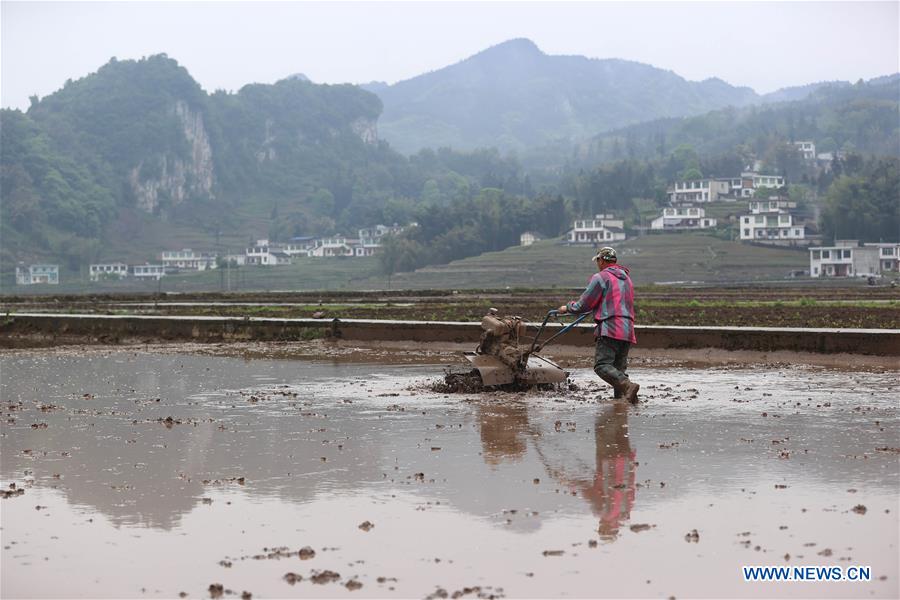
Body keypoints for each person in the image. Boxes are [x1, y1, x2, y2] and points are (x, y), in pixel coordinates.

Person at [558, 246, 640, 403]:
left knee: (602, 365)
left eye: (598, 261)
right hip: (628, 329)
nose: (597, 263)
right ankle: (625, 402)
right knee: (618, 370)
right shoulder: (627, 279)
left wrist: (567, 308)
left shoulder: (601, 278)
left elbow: (584, 304)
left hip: (611, 328)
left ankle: (628, 386)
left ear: (601, 261)